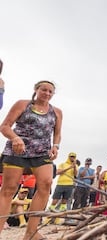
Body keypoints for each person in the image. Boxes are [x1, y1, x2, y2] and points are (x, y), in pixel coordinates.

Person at [0, 80, 62, 240]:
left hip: (42, 153)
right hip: (17, 150)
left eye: (50, 91)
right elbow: (5, 126)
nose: (47, 93)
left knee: (46, 185)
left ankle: (31, 232)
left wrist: (56, 146)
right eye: (44, 90)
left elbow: (57, 133)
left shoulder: (56, 112)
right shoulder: (23, 104)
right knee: (8, 189)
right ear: (36, 90)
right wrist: (15, 138)